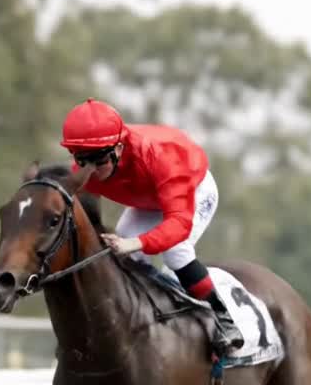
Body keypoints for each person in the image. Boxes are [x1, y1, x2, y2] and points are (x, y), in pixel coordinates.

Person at [59, 98, 243, 354]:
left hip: (194, 189)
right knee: (119, 251)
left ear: (119, 147)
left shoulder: (159, 158)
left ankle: (223, 319)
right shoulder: (89, 168)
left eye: (100, 161)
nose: (93, 171)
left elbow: (178, 224)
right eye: (83, 161)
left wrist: (137, 242)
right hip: (149, 199)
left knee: (175, 252)